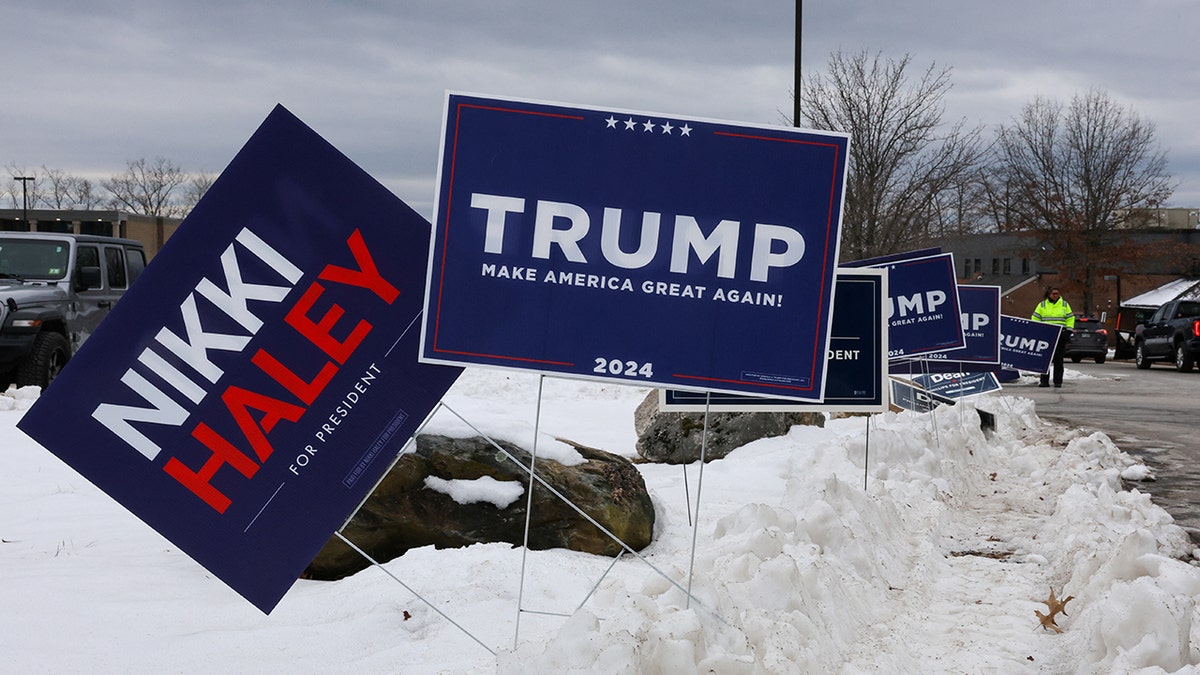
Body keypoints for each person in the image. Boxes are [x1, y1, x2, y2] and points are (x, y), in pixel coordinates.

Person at [1031, 287, 1075, 388]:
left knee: (1058, 359)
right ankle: (1044, 381)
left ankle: (1058, 382)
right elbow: (1035, 318)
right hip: (1046, 335)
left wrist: (1068, 331)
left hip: (1060, 334)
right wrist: (1037, 331)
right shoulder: (1042, 305)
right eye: (1054, 294)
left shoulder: (1064, 305)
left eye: (1057, 294)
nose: (1056, 296)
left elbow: (1070, 318)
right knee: (1045, 360)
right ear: (1049, 294)